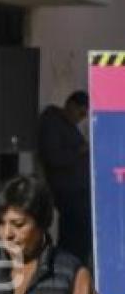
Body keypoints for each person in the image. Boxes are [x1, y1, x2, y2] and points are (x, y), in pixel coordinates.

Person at [37, 90, 92, 263]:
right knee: (74, 236)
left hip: (76, 189)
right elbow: (54, 157)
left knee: (80, 234)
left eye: (84, 115)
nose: (81, 118)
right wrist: (79, 151)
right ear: (70, 105)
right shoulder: (52, 123)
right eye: (80, 113)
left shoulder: (68, 125)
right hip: (67, 190)